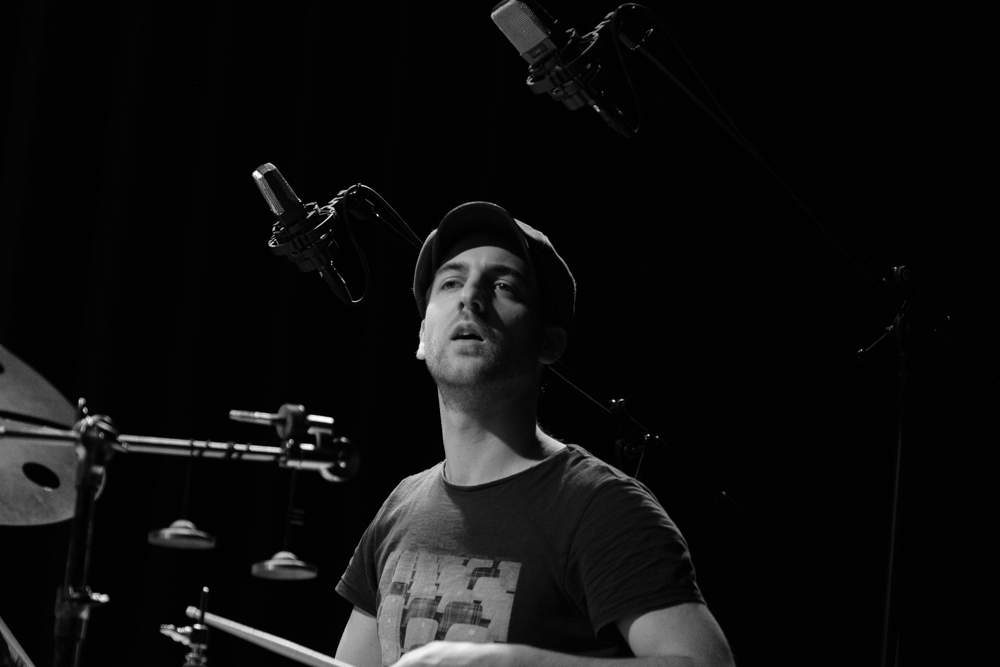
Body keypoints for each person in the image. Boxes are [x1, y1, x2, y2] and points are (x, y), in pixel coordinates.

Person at [335, 202, 735, 667]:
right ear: (423, 336)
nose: (470, 297)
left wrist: (507, 663)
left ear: (549, 342)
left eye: (503, 285)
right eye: (450, 282)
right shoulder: (401, 508)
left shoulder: (601, 507)